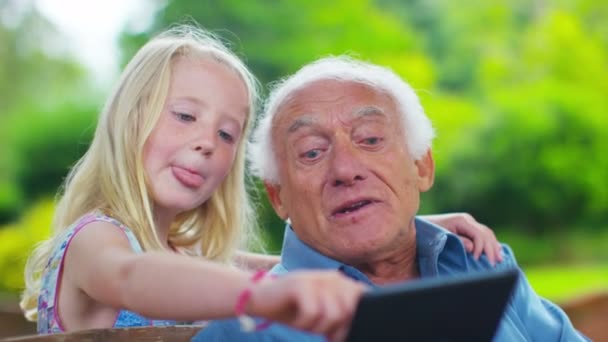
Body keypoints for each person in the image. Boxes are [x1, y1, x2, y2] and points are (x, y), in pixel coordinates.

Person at [19, 25, 499, 340]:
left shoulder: (178, 254)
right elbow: (132, 278)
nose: (207, 142)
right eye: (185, 115)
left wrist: (412, 230)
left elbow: (285, 262)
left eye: (227, 133)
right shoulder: (96, 241)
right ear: (128, 120)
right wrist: (261, 296)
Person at [193, 56, 589, 341]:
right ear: (278, 197)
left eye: (370, 139)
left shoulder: (482, 263)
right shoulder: (244, 329)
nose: (346, 170)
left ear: (422, 167)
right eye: (312, 151)